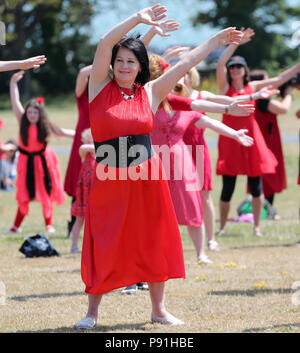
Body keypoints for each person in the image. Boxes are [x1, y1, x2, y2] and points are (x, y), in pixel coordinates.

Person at [75, 3, 244, 330]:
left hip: (147, 177)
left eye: (131, 62)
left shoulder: (151, 91)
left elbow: (186, 63)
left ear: (140, 67)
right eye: (120, 61)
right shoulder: (99, 87)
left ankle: (158, 310)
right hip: (108, 175)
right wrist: (137, 19)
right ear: (112, 65)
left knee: (154, 238)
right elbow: (104, 44)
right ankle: (92, 313)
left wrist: (215, 40)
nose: (124, 66)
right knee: (103, 240)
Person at [149, 53, 254, 265]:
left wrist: (234, 134)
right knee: (155, 211)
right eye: (171, 85)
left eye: (178, 87)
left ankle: (200, 253)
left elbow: (208, 121)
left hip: (181, 163)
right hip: (154, 163)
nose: (174, 89)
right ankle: (157, 254)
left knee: (192, 206)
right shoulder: (151, 103)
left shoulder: (186, 109)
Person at [215, 27, 300, 237]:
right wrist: (236, 43)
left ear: (245, 70)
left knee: (256, 185)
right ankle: (223, 227)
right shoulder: (225, 87)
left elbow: (279, 80)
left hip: (251, 140)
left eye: (239, 67)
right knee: (228, 186)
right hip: (230, 139)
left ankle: (257, 227)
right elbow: (220, 63)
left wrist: (298, 65)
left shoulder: (252, 86)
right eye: (233, 67)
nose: (235, 69)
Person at [6, 70, 74, 234]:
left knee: (45, 192)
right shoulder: (22, 120)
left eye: (35, 112)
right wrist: (13, 83)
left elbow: (64, 133)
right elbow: (15, 102)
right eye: (29, 112)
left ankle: (48, 224)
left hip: (43, 161)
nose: (31, 115)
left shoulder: (45, 125)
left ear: (40, 114)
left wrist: (83, 135)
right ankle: (16, 226)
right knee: (23, 192)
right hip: (25, 161)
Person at [250, 69, 294, 210]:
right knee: (269, 176)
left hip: (266, 140)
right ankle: (267, 208)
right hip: (267, 142)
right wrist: (288, 93)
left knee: (267, 176)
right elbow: (283, 109)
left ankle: (267, 208)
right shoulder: (261, 100)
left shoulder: (255, 98)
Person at [64, 65, 92, 237]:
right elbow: (82, 73)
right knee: (78, 180)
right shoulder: (83, 95)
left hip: (101, 139)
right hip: (82, 140)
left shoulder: (105, 94)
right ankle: (73, 225)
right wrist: (105, 64)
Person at [70, 128, 95, 254]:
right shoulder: (86, 153)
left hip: (96, 193)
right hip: (85, 193)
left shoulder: (103, 154)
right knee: (79, 220)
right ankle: (74, 245)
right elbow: (83, 148)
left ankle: (94, 248)